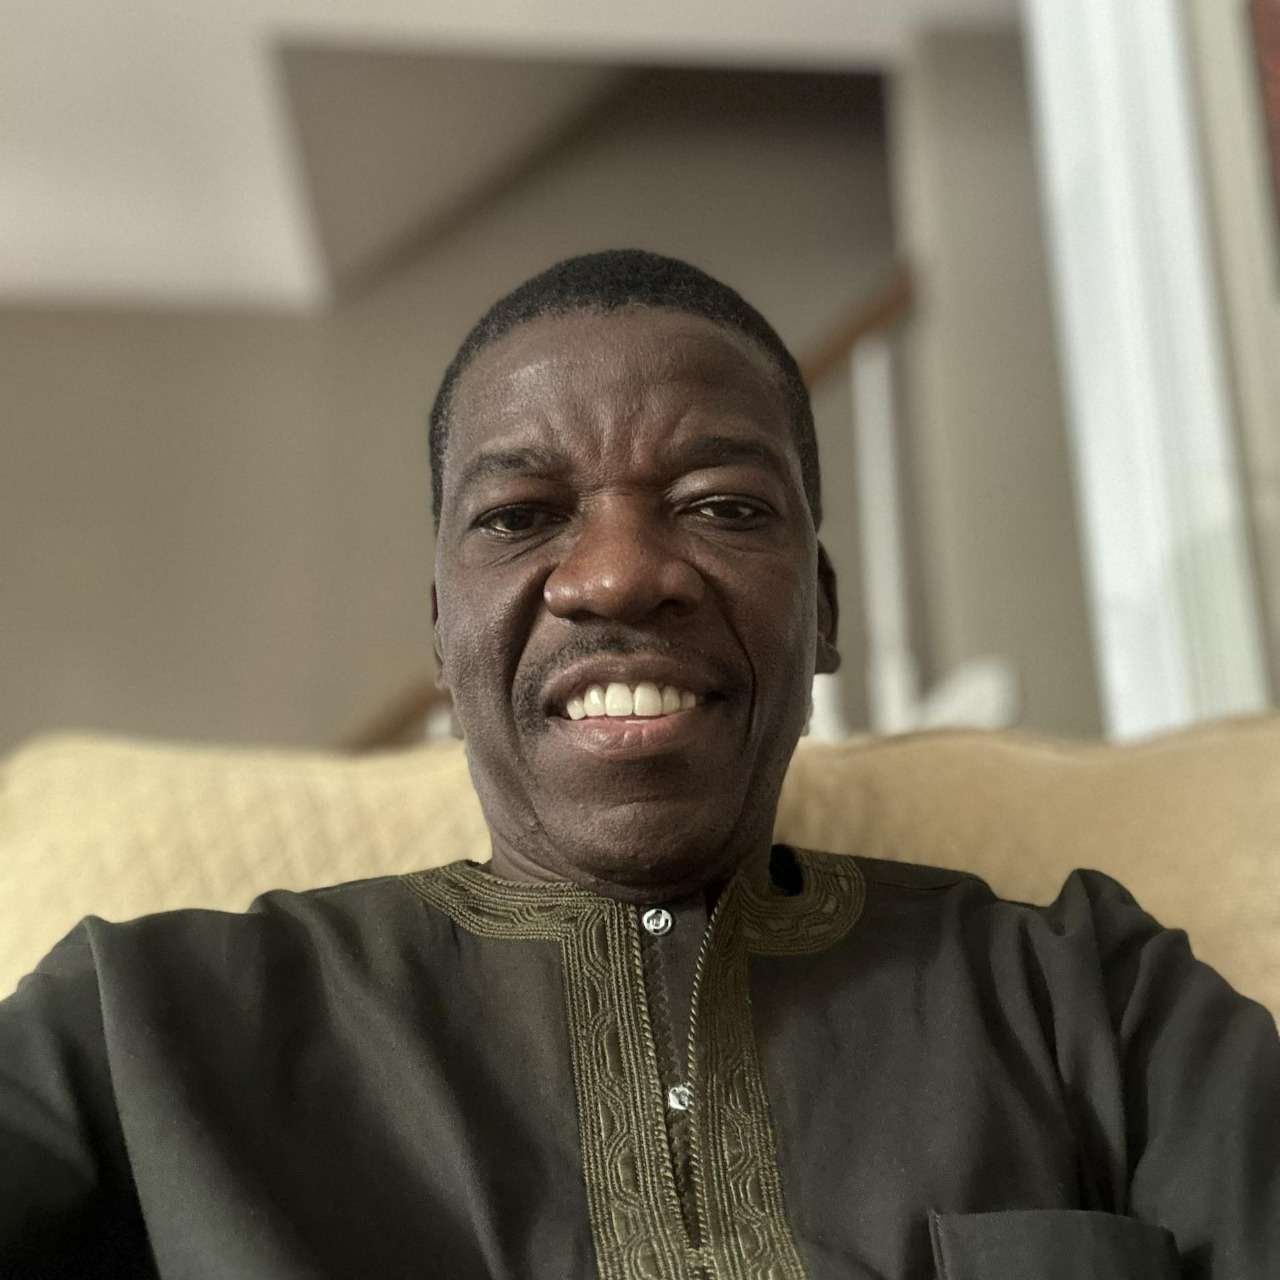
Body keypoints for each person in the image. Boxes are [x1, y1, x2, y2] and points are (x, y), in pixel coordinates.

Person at [1, 250, 1277, 1279]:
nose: (616, 575)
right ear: (442, 634)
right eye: (519, 516)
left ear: (822, 613)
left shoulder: (1098, 1001)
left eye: (722, 505)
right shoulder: (137, 1025)